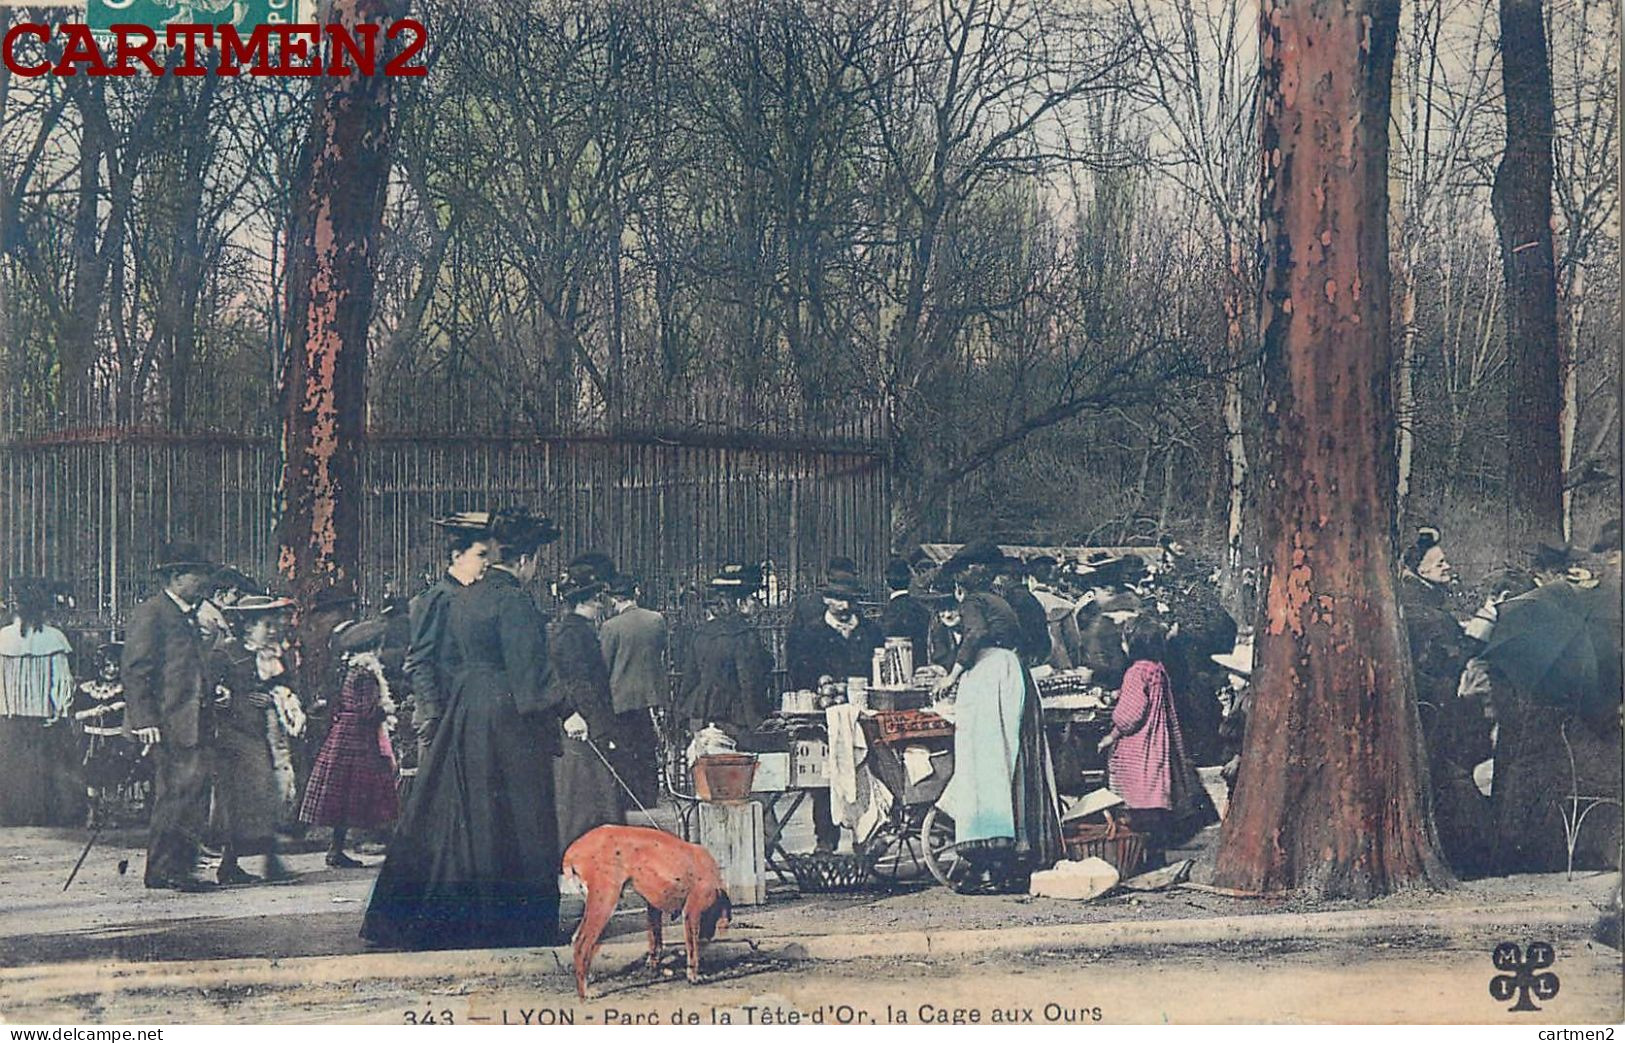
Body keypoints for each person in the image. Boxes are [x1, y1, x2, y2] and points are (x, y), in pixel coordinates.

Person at [362, 507, 566, 949]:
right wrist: (433, 720)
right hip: (487, 717)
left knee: (471, 817)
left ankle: (469, 914)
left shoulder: (471, 597)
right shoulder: (483, 599)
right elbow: (520, 676)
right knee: (504, 815)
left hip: (470, 712)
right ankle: (509, 919)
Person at [931, 540, 1062, 892]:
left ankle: (988, 859)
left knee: (984, 766)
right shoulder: (1002, 600)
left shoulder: (973, 602)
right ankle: (1014, 856)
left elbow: (975, 634)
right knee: (1009, 761)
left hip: (988, 676)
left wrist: (952, 675)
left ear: (968, 574)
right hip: (1010, 674)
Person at [122, 541, 221, 891]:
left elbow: (187, 668)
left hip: (194, 721)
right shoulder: (152, 613)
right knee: (174, 796)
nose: (204, 581)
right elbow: (137, 670)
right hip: (169, 723)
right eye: (198, 574)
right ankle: (164, 870)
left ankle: (181, 867)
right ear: (176, 576)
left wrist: (212, 691)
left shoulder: (187, 614)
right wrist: (144, 720)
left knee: (193, 796)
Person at [1097, 615, 1213, 861]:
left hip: (1139, 744)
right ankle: (1156, 853)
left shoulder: (1135, 672)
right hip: (1158, 740)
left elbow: (1130, 715)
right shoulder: (1157, 669)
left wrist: (1112, 733)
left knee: (1137, 801)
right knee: (1154, 798)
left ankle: (1139, 855)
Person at [209, 594, 300, 885]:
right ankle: (235, 862)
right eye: (266, 625)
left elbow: (285, 688)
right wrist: (234, 698)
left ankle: (263, 860)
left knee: (268, 794)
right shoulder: (226, 653)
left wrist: (273, 697)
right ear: (247, 626)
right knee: (241, 798)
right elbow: (211, 691)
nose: (273, 630)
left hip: (266, 734)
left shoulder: (274, 656)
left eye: (274, 624)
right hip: (235, 735)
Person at [786, 576, 881, 852]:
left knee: (866, 774)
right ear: (826, 600)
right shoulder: (812, 632)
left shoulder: (870, 630)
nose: (844, 605)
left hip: (861, 711)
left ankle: (865, 835)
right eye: (838, 599)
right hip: (824, 715)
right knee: (825, 780)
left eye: (849, 599)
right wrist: (820, 682)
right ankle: (825, 839)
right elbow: (799, 669)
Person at [300, 618, 400, 869]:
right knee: (352, 794)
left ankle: (337, 849)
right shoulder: (366, 674)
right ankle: (342, 849)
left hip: (346, 735)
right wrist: (385, 710)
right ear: (374, 647)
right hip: (358, 738)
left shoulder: (352, 670)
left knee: (342, 796)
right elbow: (366, 711)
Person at [404, 513, 494, 765]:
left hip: (465, 712)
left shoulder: (472, 597)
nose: (487, 563)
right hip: (442, 715)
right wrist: (433, 714)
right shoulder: (439, 598)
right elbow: (419, 660)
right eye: (481, 555)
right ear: (457, 556)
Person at [549, 564, 626, 850]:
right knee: (589, 794)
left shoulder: (569, 630)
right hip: (584, 723)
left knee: (582, 793)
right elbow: (579, 682)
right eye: (595, 599)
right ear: (582, 601)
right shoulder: (575, 633)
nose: (599, 604)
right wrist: (597, 722)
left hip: (580, 719)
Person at [0, 579, 78, 827]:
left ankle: (12, 816)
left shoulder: (3, 637)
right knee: (43, 767)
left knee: (13, 766)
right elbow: (62, 681)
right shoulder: (54, 637)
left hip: (8, 716)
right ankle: (42, 817)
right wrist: (59, 709)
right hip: (43, 716)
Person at [677, 564, 774, 737]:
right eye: (753, 598)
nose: (757, 604)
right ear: (740, 603)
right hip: (735, 718)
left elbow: (690, 678)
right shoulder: (744, 635)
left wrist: (683, 713)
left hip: (701, 714)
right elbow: (749, 683)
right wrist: (757, 722)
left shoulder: (702, 632)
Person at [598, 575, 668, 807]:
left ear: (613, 599)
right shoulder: (656, 620)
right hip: (650, 696)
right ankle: (649, 796)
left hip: (621, 699)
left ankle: (629, 798)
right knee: (648, 749)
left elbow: (604, 665)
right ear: (636, 592)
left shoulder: (610, 627)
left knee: (625, 752)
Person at [992, 560, 1051, 669]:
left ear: (1008, 577)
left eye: (1000, 576)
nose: (997, 581)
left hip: (1023, 655)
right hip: (1034, 653)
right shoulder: (1025, 596)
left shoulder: (1015, 598)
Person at [1026, 555, 1080, 671]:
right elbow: (1073, 643)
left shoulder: (1021, 602)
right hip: (1060, 665)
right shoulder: (1064, 605)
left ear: (1031, 576)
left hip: (1031, 666)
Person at [879, 556, 932, 666]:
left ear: (886, 583)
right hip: (920, 668)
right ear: (910, 580)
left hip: (895, 670)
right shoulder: (923, 610)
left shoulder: (888, 612)